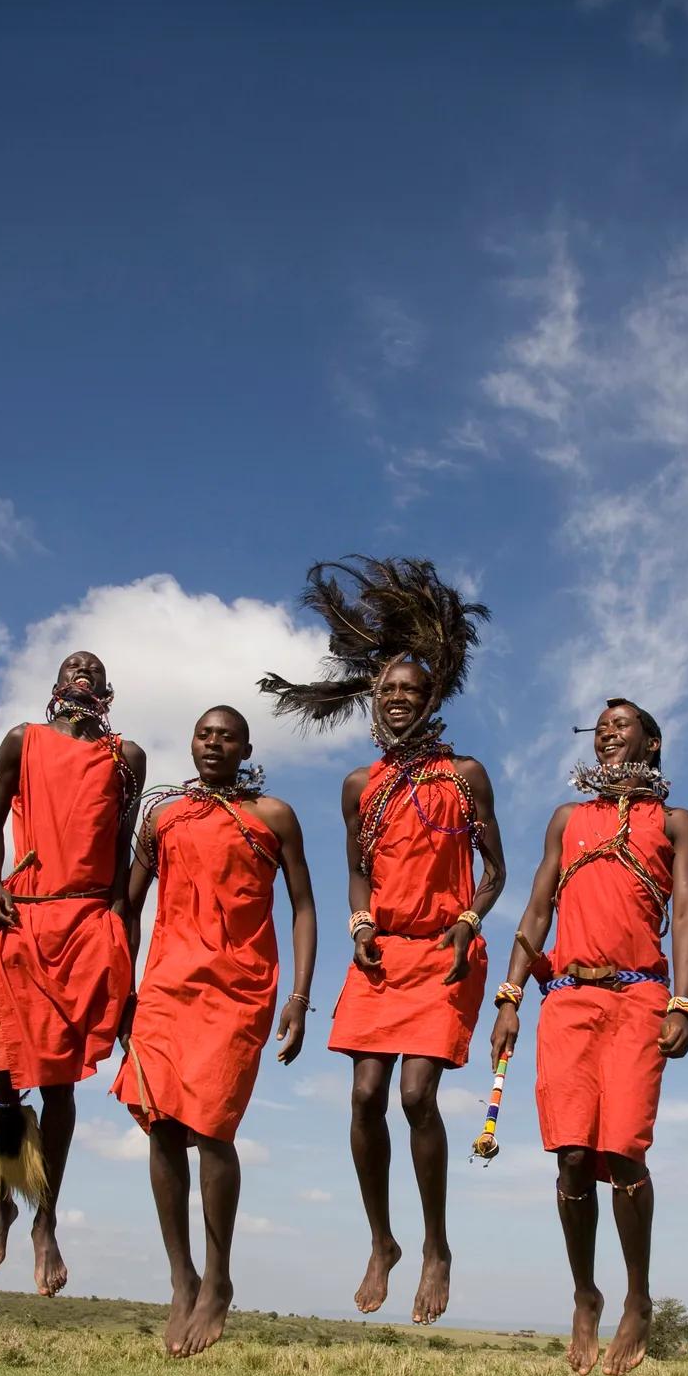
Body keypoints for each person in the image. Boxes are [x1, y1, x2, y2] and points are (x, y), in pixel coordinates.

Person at [260, 557, 504, 1325]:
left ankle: (436, 1245)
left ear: (432, 698)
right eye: (388, 690)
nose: (398, 699)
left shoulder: (464, 775)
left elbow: (495, 871)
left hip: (443, 951)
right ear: (375, 698)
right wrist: (360, 924)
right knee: (365, 1094)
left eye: (412, 690)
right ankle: (383, 1241)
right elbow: (357, 875)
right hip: (382, 954)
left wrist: (468, 923)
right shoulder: (357, 788)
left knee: (414, 1093)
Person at [489, 699, 688, 1376]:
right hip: (568, 997)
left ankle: (638, 1298)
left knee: (624, 1150)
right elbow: (537, 907)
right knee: (573, 1155)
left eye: (623, 725)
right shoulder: (567, 820)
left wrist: (683, 1004)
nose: (608, 733)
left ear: (654, 743)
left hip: (640, 995)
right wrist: (511, 996)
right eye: (601, 727)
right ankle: (585, 1293)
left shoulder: (673, 822)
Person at [114, 706, 317, 1356]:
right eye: (204, 733)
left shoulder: (273, 816)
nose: (214, 743)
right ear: (193, 742)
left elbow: (305, 905)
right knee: (161, 1125)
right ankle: (182, 1278)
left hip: (238, 992)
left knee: (211, 1128)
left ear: (245, 747)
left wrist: (300, 998)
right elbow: (129, 905)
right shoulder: (164, 816)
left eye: (226, 735)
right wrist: (120, 989)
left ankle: (219, 1278)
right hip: (168, 988)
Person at [0, 651, 144, 1296]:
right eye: (74, 666)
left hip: (87, 926)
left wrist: (122, 944)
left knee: (63, 1088)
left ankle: (46, 1219)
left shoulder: (128, 758)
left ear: (108, 688)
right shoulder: (23, 741)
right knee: (5, 1077)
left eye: (96, 668)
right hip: (21, 920)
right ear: (57, 684)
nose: (86, 671)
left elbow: (123, 860)